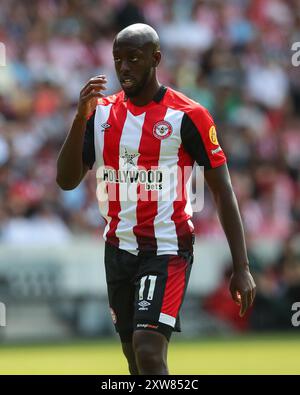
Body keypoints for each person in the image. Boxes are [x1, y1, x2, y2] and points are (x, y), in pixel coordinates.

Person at [56, 23, 256, 375]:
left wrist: (241, 267)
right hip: (118, 248)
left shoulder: (188, 115)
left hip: (167, 247)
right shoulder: (100, 113)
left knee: (148, 352)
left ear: (156, 59)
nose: (124, 68)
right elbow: (66, 180)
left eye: (133, 58)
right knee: (134, 362)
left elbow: (222, 190)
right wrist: (78, 119)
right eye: (118, 59)